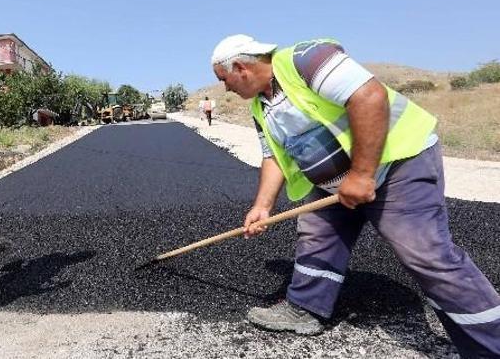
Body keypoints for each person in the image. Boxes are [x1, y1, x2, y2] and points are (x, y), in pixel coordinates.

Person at [210, 34, 500, 356]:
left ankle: (491, 343)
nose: (226, 89)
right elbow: (273, 157)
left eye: (224, 80)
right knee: (316, 237)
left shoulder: (306, 60)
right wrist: (262, 206)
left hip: (398, 165)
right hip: (339, 185)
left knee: (426, 255)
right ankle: (305, 308)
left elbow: (369, 97)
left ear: (240, 67)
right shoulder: (260, 106)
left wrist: (361, 175)